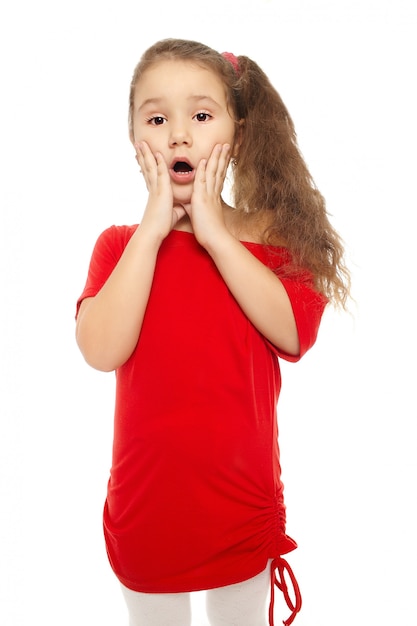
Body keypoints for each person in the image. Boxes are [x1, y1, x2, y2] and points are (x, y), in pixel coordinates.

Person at [75, 38, 350, 626]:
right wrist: (153, 231)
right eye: (157, 118)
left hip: (240, 511)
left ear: (238, 134)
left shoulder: (263, 240)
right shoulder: (119, 246)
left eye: (201, 116)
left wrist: (216, 234)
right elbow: (100, 350)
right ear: (133, 139)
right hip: (146, 511)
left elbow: (295, 335)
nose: (179, 135)